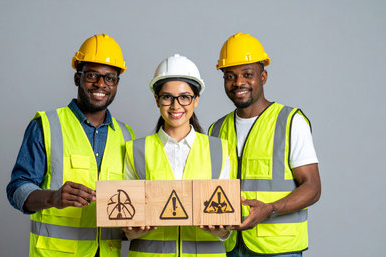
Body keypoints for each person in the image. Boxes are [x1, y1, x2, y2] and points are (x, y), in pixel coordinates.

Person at [6, 34, 135, 257]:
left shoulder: (126, 135)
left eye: (109, 78)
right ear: (77, 78)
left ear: (117, 84)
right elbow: (17, 189)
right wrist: (52, 197)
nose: (101, 84)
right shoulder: (46, 125)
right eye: (92, 75)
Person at [208, 33, 321, 257]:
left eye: (247, 74)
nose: (238, 82)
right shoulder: (216, 130)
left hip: (278, 250)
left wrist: (270, 209)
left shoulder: (289, 122)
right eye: (230, 76)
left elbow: (313, 187)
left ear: (263, 76)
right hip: (230, 247)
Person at [123, 54, 232, 257]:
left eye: (184, 97)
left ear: (196, 100)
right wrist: (130, 231)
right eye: (167, 97)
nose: (175, 106)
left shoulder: (219, 150)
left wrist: (223, 231)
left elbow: (226, 219)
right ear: (157, 100)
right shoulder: (136, 150)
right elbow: (127, 216)